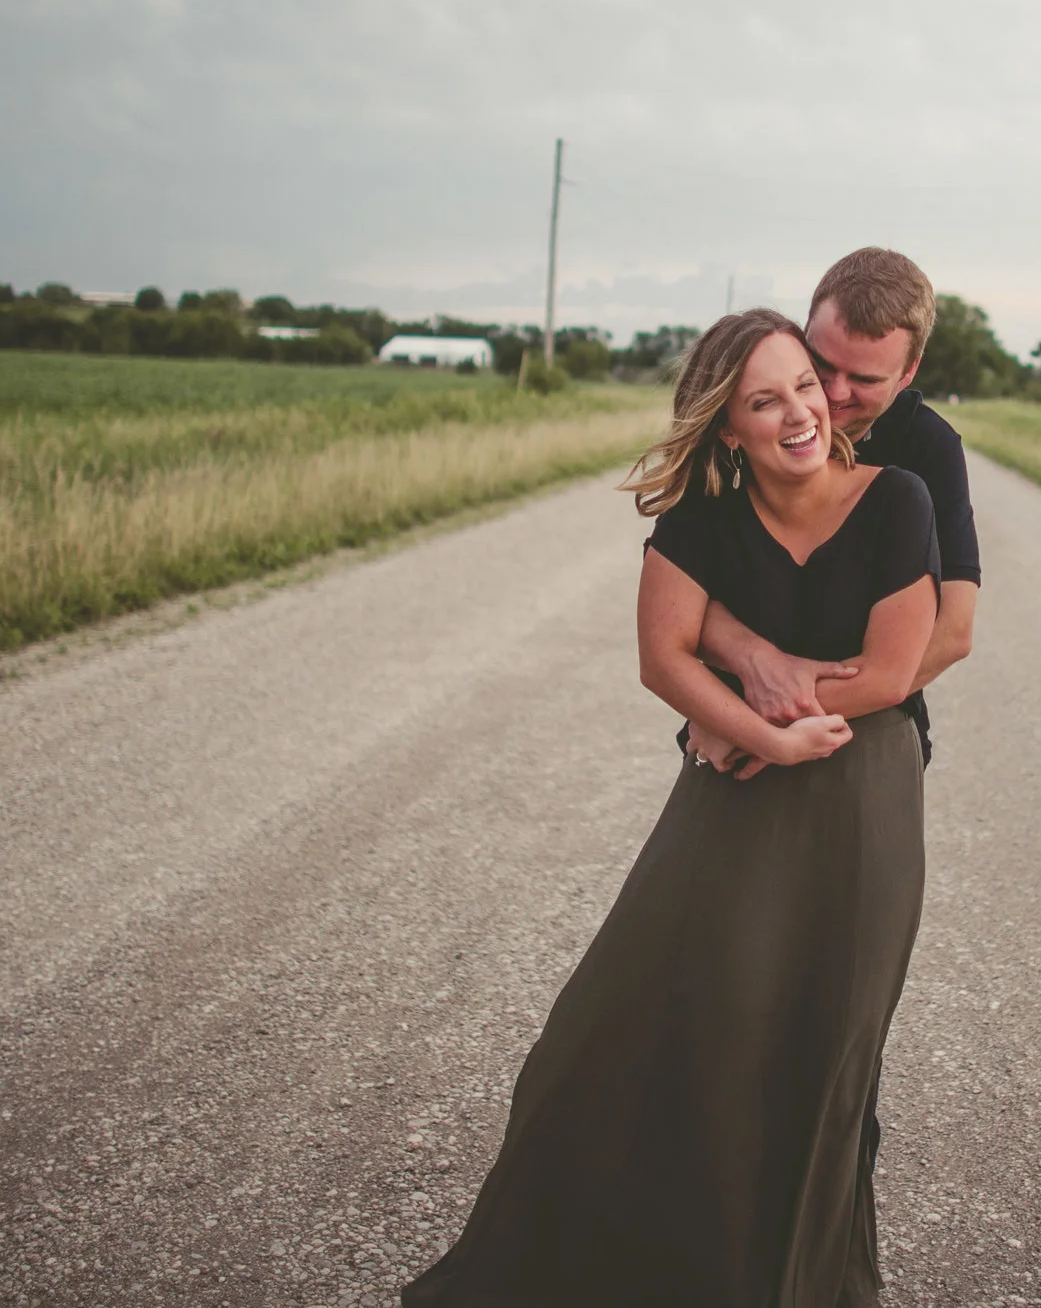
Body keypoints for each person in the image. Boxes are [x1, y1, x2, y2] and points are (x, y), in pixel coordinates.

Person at [402, 308, 941, 1308]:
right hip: (730, 798)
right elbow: (661, 659)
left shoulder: (897, 497)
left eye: (804, 386)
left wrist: (755, 712)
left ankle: (793, 1285)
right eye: (763, 399)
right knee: (629, 1022)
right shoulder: (695, 528)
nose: (798, 412)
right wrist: (758, 731)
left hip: (862, 796)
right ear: (725, 426)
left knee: (817, 1047)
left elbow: (893, 668)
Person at [684, 247, 980, 775]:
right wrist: (752, 669)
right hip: (723, 733)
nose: (835, 394)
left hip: (859, 736)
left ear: (908, 372)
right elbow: (679, 588)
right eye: (822, 365)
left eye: (865, 380)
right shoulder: (745, 422)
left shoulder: (928, 450)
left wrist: (767, 724)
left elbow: (952, 633)